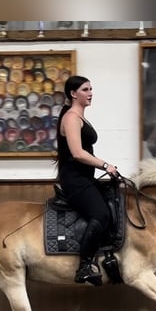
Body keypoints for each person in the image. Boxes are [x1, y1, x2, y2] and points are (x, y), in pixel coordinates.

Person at [55, 75, 119, 285]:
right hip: (74, 178)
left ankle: (109, 255)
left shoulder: (79, 117)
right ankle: (84, 266)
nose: (90, 93)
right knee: (100, 214)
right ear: (73, 94)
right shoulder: (71, 117)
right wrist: (105, 165)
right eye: (85, 89)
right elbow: (77, 153)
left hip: (84, 176)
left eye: (91, 89)